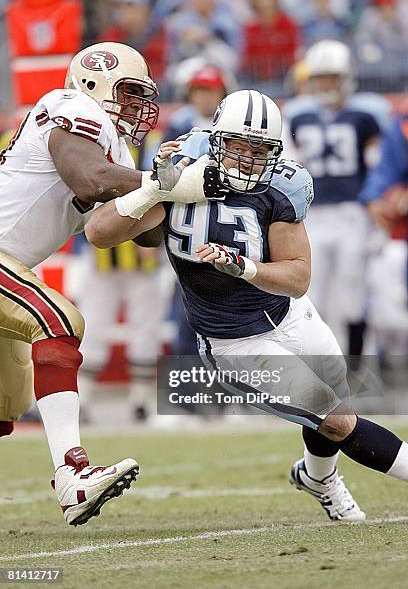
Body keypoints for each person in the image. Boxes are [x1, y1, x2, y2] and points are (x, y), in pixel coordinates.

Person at [86, 89, 408, 523]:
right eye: (238, 145)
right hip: (234, 341)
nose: (247, 158)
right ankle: (325, 480)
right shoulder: (182, 173)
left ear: (275, 152)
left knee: (338, 401)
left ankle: (319, 478)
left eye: (260, 150)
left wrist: (246, 268)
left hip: (290, 314)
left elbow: (297, 278)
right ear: (217, 140)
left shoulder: (281, 185)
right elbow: (99, 233)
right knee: (336, 419)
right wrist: (152, 188)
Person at [0, 41, 164, 526]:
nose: (137, 107)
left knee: (6, 401)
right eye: (130, 93)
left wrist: (174, 190)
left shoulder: (114, 149)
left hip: (8, 264)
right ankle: (73, 478)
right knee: (58, 321)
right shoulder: (69, 105)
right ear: (96, 82)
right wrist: (159, 180)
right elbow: (91, 180)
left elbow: (148, 232)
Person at [284, 39, 390, 355]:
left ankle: (357, 365)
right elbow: (289, 167)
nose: (326, 84)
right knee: (311, 293)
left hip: (352, 212)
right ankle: (321, 369)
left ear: (346, 76)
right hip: (312, 214)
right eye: (320, 77)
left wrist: (376, 213)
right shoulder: (298, 115)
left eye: (332, 76)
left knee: (351, 293)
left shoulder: (366, 114)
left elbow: (377, 167)